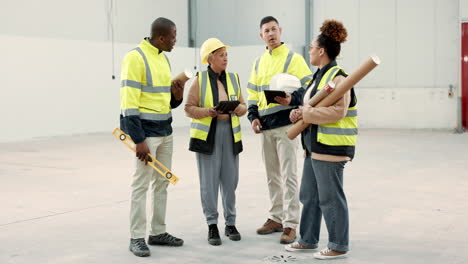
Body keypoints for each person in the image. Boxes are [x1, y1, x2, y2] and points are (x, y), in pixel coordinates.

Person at [284, 19, 356, 260]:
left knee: (330, 198)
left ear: (322, 51)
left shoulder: (338, 77)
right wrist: (298, 111)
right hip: (312, 148)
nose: (310, 51)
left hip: (330, 149)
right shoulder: (318, 77)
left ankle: (338, 244)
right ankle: (307, 239)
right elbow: (310, 108)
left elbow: (338, 112)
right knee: (310, 196)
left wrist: (308, 113)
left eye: (313, 48)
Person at [120, 17, 184, 257]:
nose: (175, 41)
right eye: (173, 37)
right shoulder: (135, 58)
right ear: (161, 38)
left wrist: (177, 95)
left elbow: (165, 101)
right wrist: (138, 140)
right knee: (140, 185)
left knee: (162, 183)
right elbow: (129, 103)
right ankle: (136, 237)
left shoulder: (164, 58)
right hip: (146, 135)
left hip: (165, 131)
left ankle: (157, 232)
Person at [247, 16, 313, 244]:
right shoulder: (258, 63)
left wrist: (291, 98)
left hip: (287, 124)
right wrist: (253, 117)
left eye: (274, 29)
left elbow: (310, 88)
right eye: (267, 30)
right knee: (272, 175)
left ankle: (291, 224)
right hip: (265, 127)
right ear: (261, 35)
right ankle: (275, 217)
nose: (271, 33)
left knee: (289, 175)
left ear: (280, 31)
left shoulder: (293, 58)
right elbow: (253, 94)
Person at [185, 38, 247, 246]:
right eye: (221, 55)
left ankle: (231, 223)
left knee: (230, 180)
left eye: (226, 55)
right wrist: (207, 112)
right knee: (209, 183)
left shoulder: (234, 78)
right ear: (210, 58)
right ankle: (212, 224)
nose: (225, 58)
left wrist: (238, 108)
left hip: (229, 135)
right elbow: (188, 108)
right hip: (208, 137)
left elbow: (244, 105)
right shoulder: (199, 80)